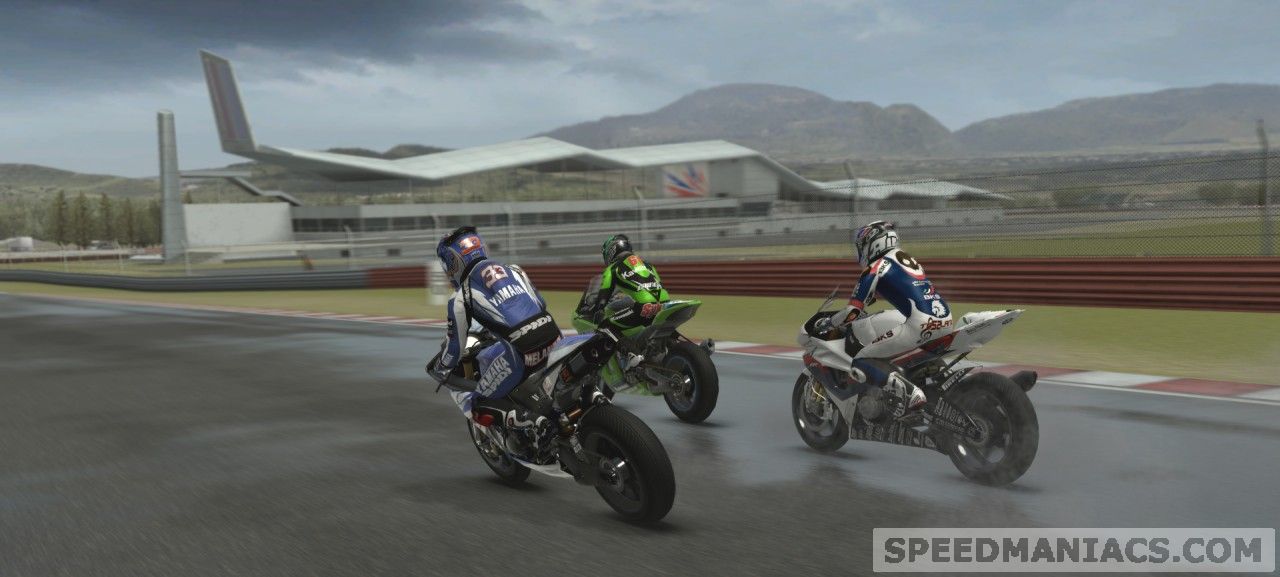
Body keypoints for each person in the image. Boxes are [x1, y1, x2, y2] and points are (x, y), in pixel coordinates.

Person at [428, 226, 561, 423]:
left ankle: (531, 424)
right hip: (555, 337)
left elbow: (455, 348)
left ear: (454, 262)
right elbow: (541, 303)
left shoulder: (460, 296)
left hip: (522, 354)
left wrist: (441, 367)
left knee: (479, 403)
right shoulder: (515, 270)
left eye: (447, 263)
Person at [825, 220, 954, 415]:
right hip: (946, 320)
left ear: (872, 243)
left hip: (921, 325)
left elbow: (853, 312)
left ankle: (910, 393)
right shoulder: (907, 260)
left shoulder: (876, 267)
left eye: (862, 246)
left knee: (861, 359)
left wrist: (831, 322)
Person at [575, 233, 669, 331]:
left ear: (610, 252)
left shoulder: (613, 268)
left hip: (643, 308)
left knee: (604, 326)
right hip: (664, 306)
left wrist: (595, 310)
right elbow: (659, 285)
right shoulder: (648, 265)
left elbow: (603, 296)